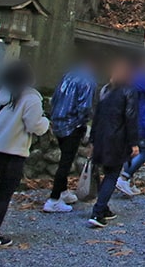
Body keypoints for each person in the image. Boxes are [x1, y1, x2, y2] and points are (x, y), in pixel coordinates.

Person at [0, 61, 49, 248]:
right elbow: (34, 125)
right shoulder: (31, 97)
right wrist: (46, 123)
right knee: (4, 195)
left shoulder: (2, 92)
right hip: (12, 151)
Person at [88, 56, 139, 228]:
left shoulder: (105, 90)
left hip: (102, 138)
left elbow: (96, 116)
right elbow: (131, 118)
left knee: (107, 173)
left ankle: (103, 207)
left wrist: (92, 140)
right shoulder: (129, 91)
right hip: (117, 139)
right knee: (112, 174)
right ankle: (98, 210)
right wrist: (134, 143)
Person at [44, 58, 96, 213]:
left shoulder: (67, 75)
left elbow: (55, 97)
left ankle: (63, 191)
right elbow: (85, 107)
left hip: (58, 121)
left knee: (65, 158)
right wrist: (83, 123)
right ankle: (53, 199)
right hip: (73, 124)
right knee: (66, 162)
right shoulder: (88, 81)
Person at [116, 60, 145, 197]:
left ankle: (127, 181)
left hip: (134, 119)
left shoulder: (129, 79)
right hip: (143, 120)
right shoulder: (141, 77)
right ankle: (124, 178)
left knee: (132, 152)